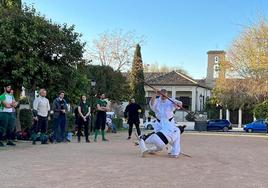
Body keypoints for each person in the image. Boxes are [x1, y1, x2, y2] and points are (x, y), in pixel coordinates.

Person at [137, 89, 183, 158]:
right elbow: (152, 104)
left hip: (168, 122)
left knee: (173, 135)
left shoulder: (170, 100)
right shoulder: (157, 101)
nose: (164, 96)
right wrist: (154, 94)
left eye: (165, 95)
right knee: (158, 137)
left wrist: (179, 103)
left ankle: (174, 151)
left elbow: (178, 103)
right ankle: (152, 149)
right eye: (162, 95)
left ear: (167, 95)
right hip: (159, 122)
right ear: (160, 95)